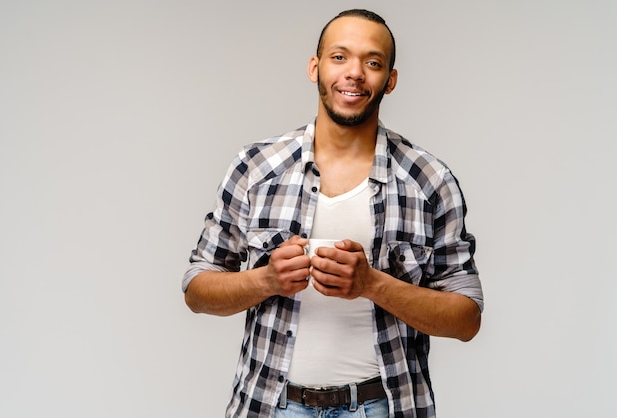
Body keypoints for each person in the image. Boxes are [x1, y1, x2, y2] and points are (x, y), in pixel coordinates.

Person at [182, 9, 483, 418]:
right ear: (315, 67)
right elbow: (197, 289)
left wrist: (373, 284)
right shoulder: (255, 168)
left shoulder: (429, 180)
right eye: (339, 57)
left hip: (383, 406)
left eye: (372, 62)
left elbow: (466, 318)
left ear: (390, 80)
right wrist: (266, 279)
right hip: (272, 405)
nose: (355, 73)